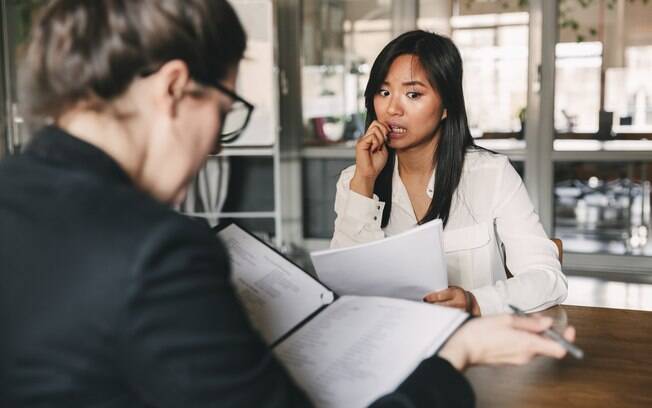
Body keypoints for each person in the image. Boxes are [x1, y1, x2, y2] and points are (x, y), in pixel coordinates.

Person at [0, 2, 575, 407]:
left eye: (414, 93)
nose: (212, 145)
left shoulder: (15, 194)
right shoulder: (157, 250)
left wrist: (477, 307)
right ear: (174, 88)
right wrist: (456, 357)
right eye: (226, 112)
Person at [331, 30, 568, 317]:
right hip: (389, 343)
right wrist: (364, 183)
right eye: (384, 92)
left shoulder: (491, 174)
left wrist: (475, 302)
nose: (392, 109)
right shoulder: (355, 180)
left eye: (413, 94)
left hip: (476, 347)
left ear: (446, 106)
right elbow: (345, 288)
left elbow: (548, 279)